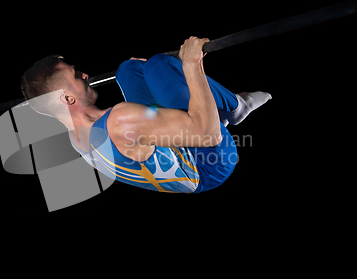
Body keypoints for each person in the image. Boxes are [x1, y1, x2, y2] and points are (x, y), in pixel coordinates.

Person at [20, 37, 271, 193]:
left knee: (129, 70)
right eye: (76, 75)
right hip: (210, 162)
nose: (85, 75)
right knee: (161, 65)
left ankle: (154, 77)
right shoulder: (120, 120)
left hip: (176, 150)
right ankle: (237, 107)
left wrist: (139, 78)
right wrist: (191, 64)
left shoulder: (76, 137)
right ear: (67, 98)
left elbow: (132, 131)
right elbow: (207, 134)